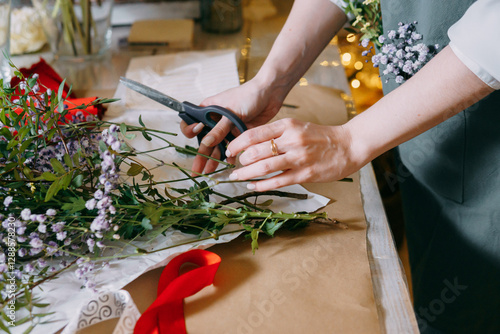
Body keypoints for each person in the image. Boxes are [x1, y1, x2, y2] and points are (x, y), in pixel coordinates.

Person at [181, 0, 500, 333]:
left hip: (490, 150)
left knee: (469, 308)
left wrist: (350, 142)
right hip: (433, 133)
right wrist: (268, 83)